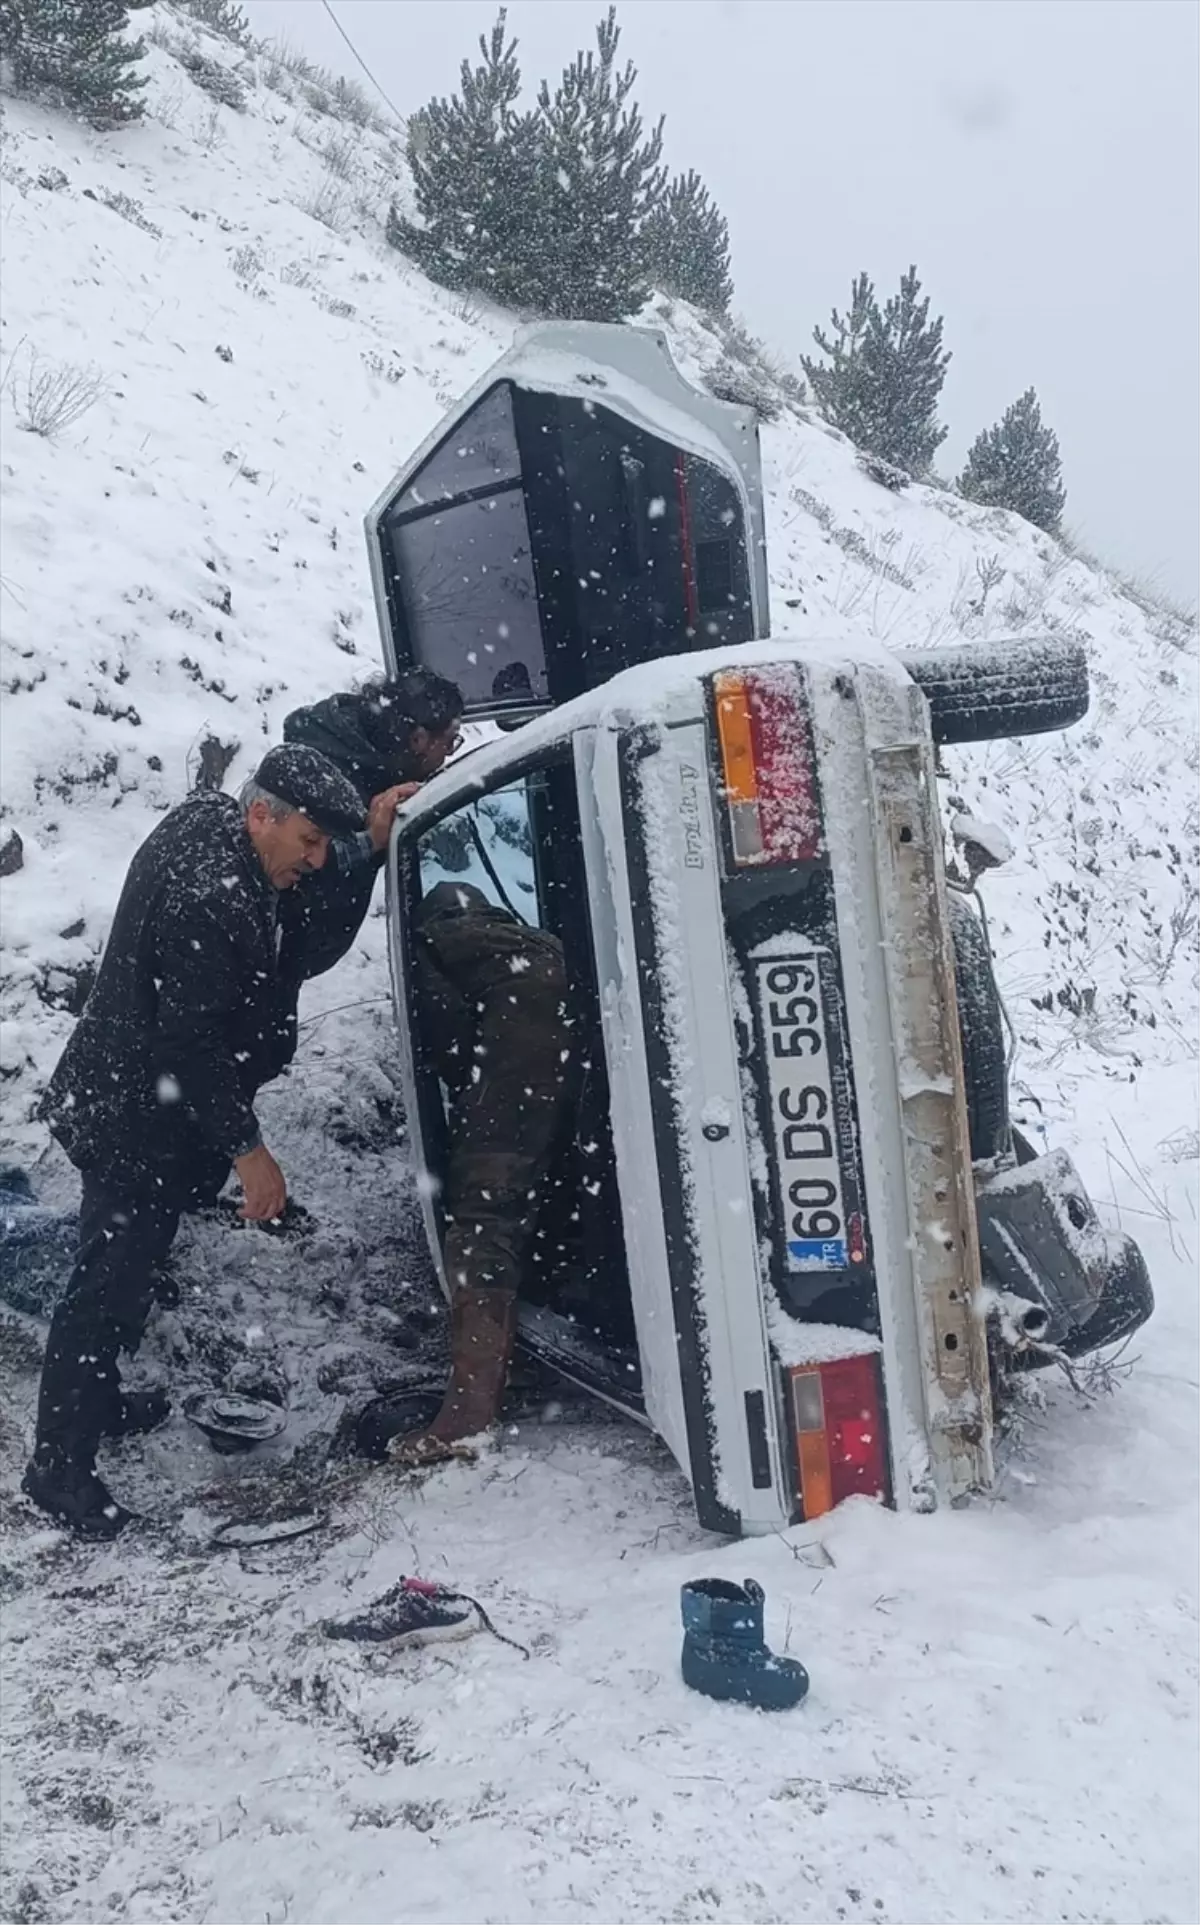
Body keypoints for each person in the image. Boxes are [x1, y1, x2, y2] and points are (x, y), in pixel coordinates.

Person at [23, 744, 367, 1539]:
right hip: (135, 1119)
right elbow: (192, 1048)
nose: (315, 861)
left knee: (130, 1259)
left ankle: (99, 1398)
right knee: (106, 1277)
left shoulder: (214, 824)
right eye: (309, 841)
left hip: (131, 1102)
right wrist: (251, 1154)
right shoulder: (209, 898)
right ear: (261, 814)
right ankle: (58, 1466)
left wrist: (363, 845)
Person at [279, 673, 572, 1461]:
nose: (450, 751)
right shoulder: (496, 952)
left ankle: (469, 1414)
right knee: (489, 1203)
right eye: (444, 740)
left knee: (487, 1206)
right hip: (510, 1055)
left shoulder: (503, 985)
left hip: (509, 1076)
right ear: (414, 735)